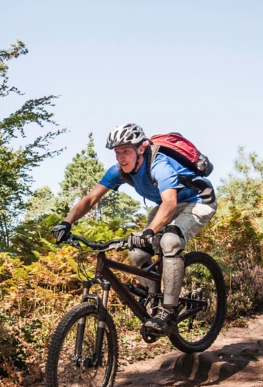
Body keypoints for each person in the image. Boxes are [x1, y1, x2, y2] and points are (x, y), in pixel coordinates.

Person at [51, 123, 217, 335]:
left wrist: (148, 232)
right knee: (137, 251)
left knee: (170, 241)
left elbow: (170, 204)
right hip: (168, 205)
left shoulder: (160, 166)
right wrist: (66, 223)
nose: (121, 158)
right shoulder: (119, 171)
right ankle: (153, 302)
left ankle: (168, 310)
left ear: (142, 148)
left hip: (197, 202)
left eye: (126, 151)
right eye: (117, 152)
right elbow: (91, 199)